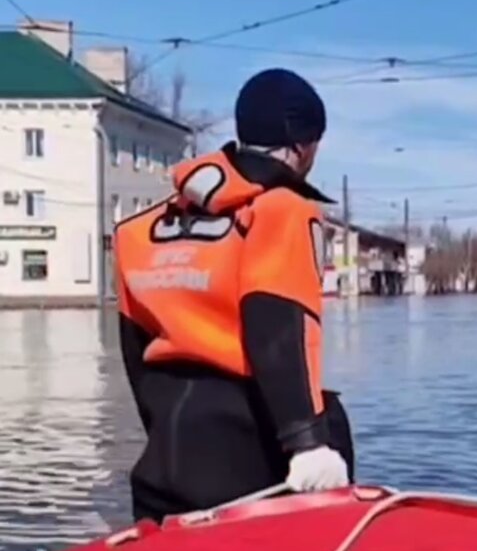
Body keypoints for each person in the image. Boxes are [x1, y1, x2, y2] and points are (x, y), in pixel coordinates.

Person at [114, 68, 354, 523]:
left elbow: (135, 355)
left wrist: (165, 438)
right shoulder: (282, 212)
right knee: (332, 421)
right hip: (250, 466)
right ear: (304, 146)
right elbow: (278, 330)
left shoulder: (137, 232)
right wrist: (308, 444)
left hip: (164, 460)